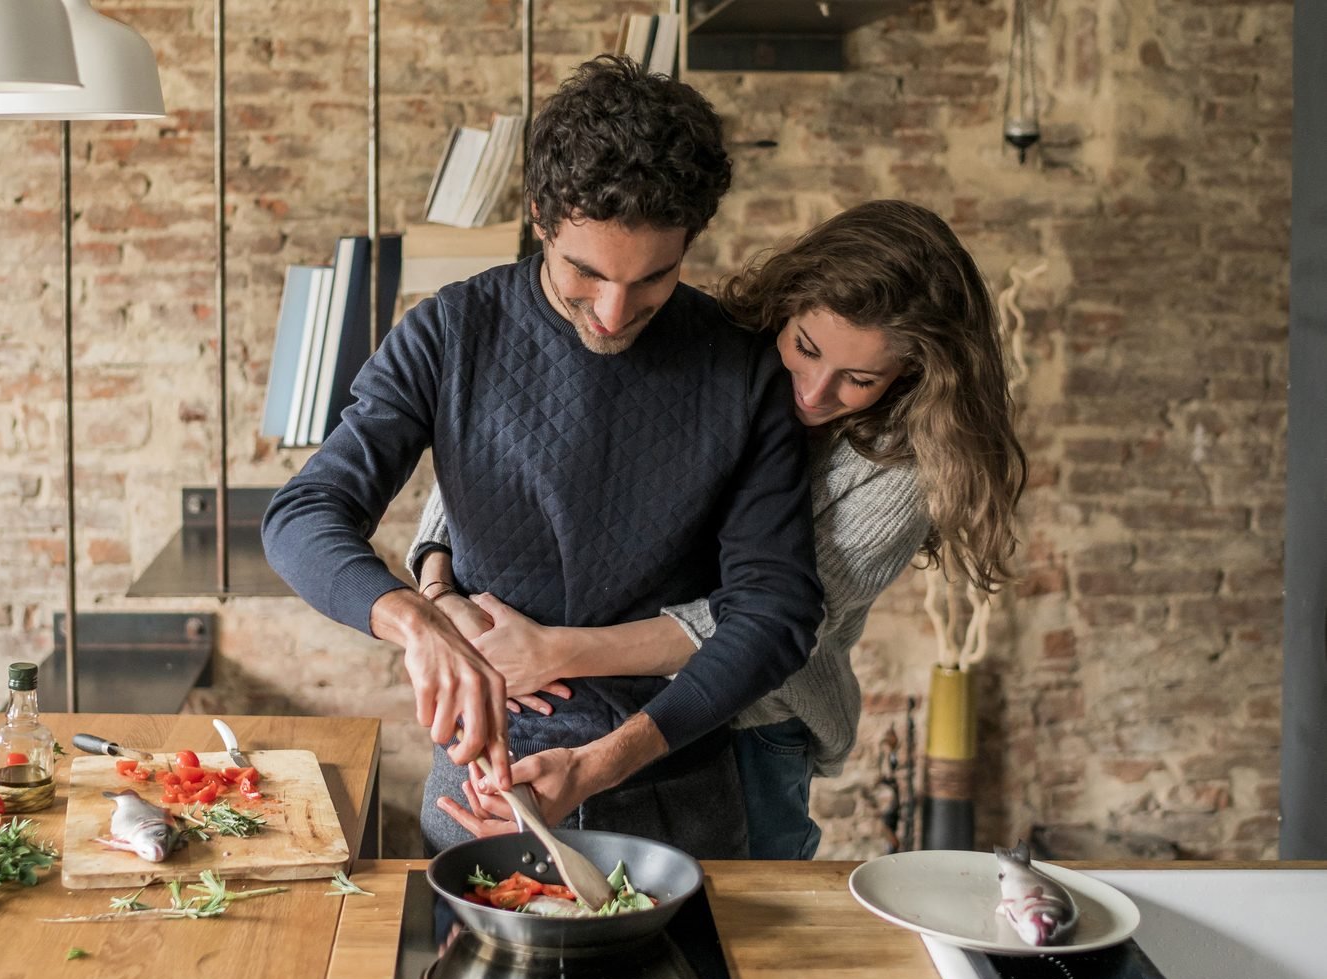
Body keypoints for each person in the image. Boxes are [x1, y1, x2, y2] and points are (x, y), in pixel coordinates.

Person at [261, 55, 825, 859]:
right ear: (539, 217)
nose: (612, 312)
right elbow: (302, 516)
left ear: (690, 242)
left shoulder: (740, 368)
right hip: (485, 782)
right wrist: (416, 619)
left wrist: (601, 765)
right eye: (584, 274)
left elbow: (774, 612)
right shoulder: (450, 333)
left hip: (677, 786)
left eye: (652, 279)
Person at [414, 199, 1027, 858]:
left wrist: (554, 651)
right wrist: (437, 590)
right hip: (581, 692)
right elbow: (506, 457)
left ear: (910, 374)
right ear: (785, 308)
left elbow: (763, 624)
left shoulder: (902, 476)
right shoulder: (707, 353)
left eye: (858, 379)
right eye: (805, 348)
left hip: (753, 726)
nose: (813, 391)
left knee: (737, 933)